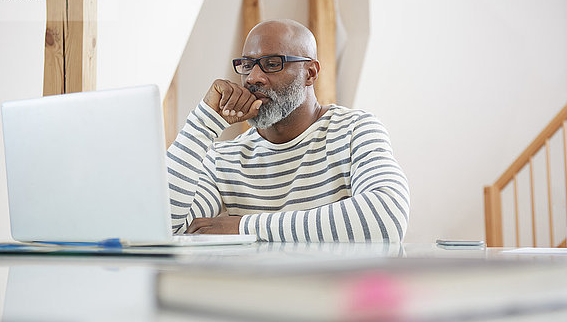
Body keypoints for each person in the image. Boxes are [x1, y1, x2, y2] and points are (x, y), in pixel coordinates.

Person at [166, 19, 409, 242]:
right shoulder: (223, 159)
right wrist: (203, 122)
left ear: (310, 73)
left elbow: (386, 216)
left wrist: (244, 227)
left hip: (332, 290)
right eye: (248, 65)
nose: (253, 77)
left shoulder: (355, 130)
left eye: (272, 64)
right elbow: (164, 229)